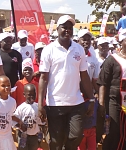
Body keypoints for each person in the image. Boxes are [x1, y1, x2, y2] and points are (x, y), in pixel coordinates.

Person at [38, 15, 95, 150]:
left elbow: (84, 76)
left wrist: (91, 99)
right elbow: (43, 78)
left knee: (75, 136)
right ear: (57, 29)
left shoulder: (79, 49)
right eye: (64, 27)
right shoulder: (48, 49)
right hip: (55, 103)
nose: (67, 30)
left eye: (70, 28)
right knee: (56, 142)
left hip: (76, 102)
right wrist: (41, 104)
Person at [97, 29, 126, 150]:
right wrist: (102, 105)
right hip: (115, 103)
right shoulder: (112, 60)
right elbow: (103, 83)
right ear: (121, 41)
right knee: (115, 132)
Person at [77, 29, 100, 150]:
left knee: (89, 128)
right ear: (78, 40)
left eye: (88, 39)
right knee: (77, 130)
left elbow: (95, 80)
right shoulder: (72, 55)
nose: (86, 41)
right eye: (83, 39)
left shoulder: (93, 59)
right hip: (75, 98)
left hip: (89, 98)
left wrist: (98, 97)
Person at [14, 83, 43, 150]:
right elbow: (14, 120)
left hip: (34, 136)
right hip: (23, 135)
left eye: (34, 94)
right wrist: (20, 125)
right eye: (29, 95)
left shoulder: (38, 107)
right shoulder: (21, 108)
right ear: (24, 94)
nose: (32, 97)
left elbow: (41, 122)